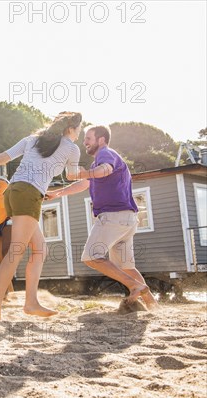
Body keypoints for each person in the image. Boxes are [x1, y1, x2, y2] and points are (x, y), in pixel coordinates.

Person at [0, 111, 83, 321]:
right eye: (80, 128)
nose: (80, 133)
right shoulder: (72, 148)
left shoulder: (33, 140)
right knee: (15, 253)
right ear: (71, 128)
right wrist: (92, 173)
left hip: (13, 192)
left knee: (39, 249)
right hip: (27, 194)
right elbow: (72, 176)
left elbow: (2, 157)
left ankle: (31, 302)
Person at [45, 125, 158, 310]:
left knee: (91, 257)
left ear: (101, 140)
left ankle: (134, 286)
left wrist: (83, 172)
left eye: (88, 138)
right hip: (127, 219)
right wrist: (56, 193)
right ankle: (152, 305)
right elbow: (85, 184)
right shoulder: (98, 163)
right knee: (127, 267)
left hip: (113, 217)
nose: (85, 142)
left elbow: (105, 170)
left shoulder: (105, 154)